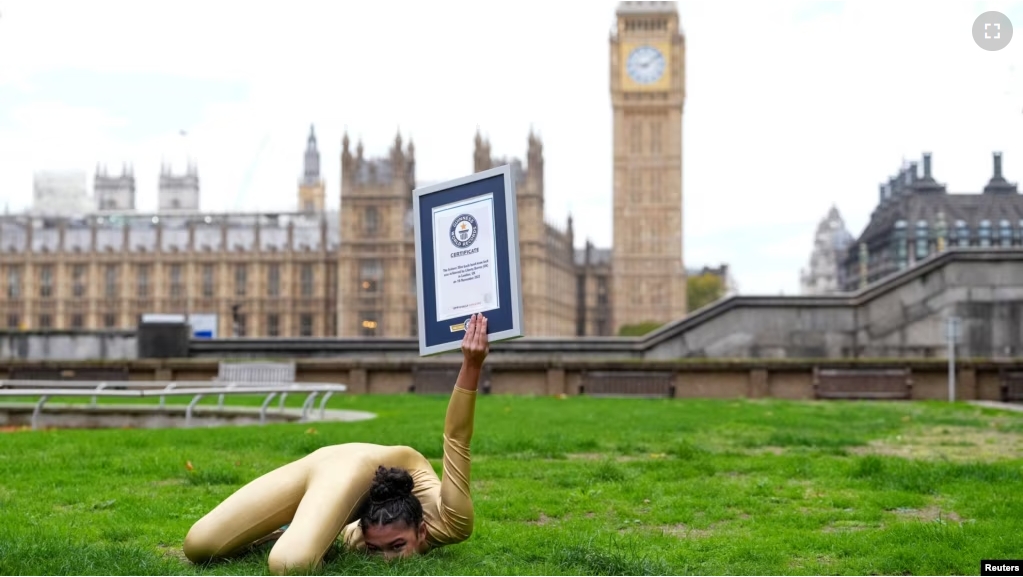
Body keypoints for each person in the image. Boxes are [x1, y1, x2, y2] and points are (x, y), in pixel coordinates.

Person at [183, 313, 490, 574]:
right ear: (423, 530)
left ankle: (283, 533)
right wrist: (472, 363)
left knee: (218, 549)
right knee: (207, 546)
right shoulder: (453, 521)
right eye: (387, 548)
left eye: (392, 548)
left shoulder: (358, 537)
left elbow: (341, 532)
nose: (385, 562)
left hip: (334, 465)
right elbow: (457, 438)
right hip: (349, 467)